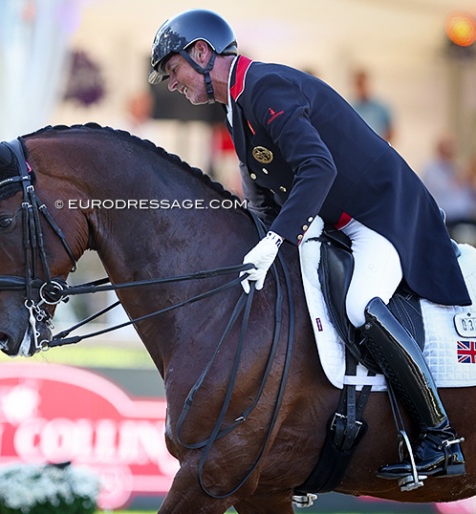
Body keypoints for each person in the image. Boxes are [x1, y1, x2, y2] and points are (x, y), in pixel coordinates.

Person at [148, 9, 469, 481]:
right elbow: (260, 195)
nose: (171, 83)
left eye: (172, 70)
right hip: (334, 222)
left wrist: (277, 238)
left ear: (201, 52)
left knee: (361, 304)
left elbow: (318, 168)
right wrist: (249, 239)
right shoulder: (235, 108)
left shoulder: (264, 86)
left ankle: (439, 436)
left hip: (381, 216)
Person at [423, 134, 476, 232]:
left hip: (466, 217)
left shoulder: (455, 168)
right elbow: (444, 188)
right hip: (449, 220)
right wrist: (462, 178)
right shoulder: (432, 170)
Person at [350, 69, 394, 142]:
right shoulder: (350, 108)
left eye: (363, 84)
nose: (361, 88)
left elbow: (391, 132)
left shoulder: (381, 108)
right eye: (359, 85)